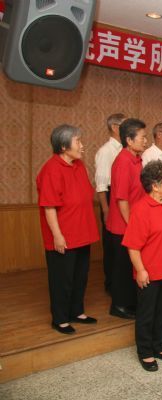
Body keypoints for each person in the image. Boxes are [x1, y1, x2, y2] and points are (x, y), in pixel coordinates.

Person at [37, 125, 99, 335]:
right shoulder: (51, 169)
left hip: (82, 232)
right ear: (63, 147)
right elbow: (49, 206)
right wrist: (57, 235)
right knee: (62, 279)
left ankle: (76, 311)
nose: (82, 145)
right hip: (64, 235)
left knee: (80, 276)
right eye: (78, 141)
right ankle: (60, 319)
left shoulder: (79, 165)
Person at [122, 161, 162, 372]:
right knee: (147, 314)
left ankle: (159, 346)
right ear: (155, 186)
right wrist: (140, 270)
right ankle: (145, 352)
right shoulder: (141, 209)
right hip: (150, 271)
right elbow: (132, 246)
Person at [106, 118, 148, 319]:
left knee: (131, 266)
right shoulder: (123, 161)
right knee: (123, 267)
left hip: (133, 222)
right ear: (129, 140)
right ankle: (119, 305)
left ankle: (129, 303)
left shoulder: (136, 159)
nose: (146, 141)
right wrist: (132, 225)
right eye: (142, 137)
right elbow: (121, 199)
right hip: (123, 225)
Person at [95, 113, 126, 293]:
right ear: (115, 127)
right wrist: (106, 210)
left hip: (121, 198)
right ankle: (111, 284)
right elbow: (101, 185)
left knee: (122, 245)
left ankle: (121, 282)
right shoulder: (106, 151)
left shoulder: (124, 149)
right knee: (111, 245)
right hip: (110, 199)